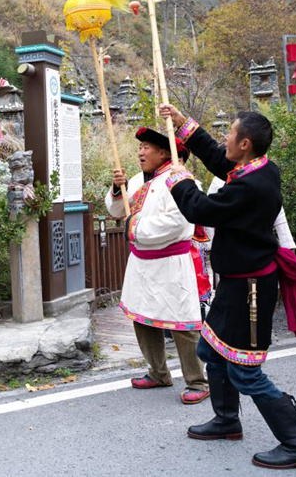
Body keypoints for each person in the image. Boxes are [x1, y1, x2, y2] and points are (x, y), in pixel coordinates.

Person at [160, 104, 296, 471]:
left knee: (246, 370)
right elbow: (221, 160)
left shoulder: (251, 187)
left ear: (246, 144)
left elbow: (200, 208)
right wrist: (183, 124)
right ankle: (226, 420)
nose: (225, 140)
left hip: (251, 289)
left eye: (230, 134)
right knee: (212, 350)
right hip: (236, 283)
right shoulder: (259, 168)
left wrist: (178, 178)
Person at [107, 127, 209, 405]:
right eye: (140, 147)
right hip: (141, 263)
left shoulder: (182, 181)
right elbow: (118, 212)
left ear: (164, 152)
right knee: (143, 316)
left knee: (182, 323)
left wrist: (135, 227)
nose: (140, 152)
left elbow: (178, 222)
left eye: (146, 147)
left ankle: (197, 380)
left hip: (171, 262)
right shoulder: (139, 179)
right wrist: (118, 189)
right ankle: (158, 372)